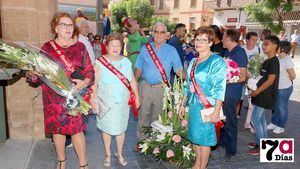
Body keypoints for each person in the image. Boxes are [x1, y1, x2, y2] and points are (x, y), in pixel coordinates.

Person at [26, 12, 94, 169]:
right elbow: (38, 75)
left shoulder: (80, 47)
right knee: (58, 130)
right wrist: (31, 74)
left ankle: (83, 164)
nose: (68, 28)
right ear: (56, 28)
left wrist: (84, 82)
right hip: (53, 98)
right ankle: (61, 161)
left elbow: (90, 71)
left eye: (70, 25)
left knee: (77, 130)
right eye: (64, 25)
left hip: (74, 96)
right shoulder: (47, 48)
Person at [179, 26, 227, 169]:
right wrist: (182, 104)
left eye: (203, 40)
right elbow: (188, 85)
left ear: (210, 42)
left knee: (204, 140)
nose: (199, 43)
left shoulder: (216, 61)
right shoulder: (193, 62)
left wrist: (216, 111)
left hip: (208, 107)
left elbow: (220, 88)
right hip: (194, 105)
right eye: (197, 39)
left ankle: (201, 167)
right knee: (195, 139)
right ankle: (197, 165)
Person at [91, 33, 140, 167]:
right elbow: (94, 85)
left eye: (118, 45)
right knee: (106, 130)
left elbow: (132, 81)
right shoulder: (100, 62)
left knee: (121, 130)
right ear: (106, 46)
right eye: (112, 45)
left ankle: (120, 154)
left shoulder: (126, 61)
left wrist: (137, 96)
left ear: (121, 47)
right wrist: (93, 100)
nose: (115, 48)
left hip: (122, 104)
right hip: (105, 103)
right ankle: (107, 155)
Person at [135, 22, 183, 143]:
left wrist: (192, 78)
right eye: (156, 31)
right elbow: (139, 68)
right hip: (145, 86)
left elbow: (178, 70)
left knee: (158, 116)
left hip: (161, 88)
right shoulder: (145, 48)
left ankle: (154, 143)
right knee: (143, 115)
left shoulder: (171, 50)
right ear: (152, 33)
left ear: (166, 35)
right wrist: (134, 84)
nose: (159, 34)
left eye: (162, 32)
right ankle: (141, 141)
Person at [248, 35, 280, 156]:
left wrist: (257, 91)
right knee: (260, 120)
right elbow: (262, 78)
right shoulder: (267, 60)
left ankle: (263, 146)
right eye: (263, 44)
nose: (264, 46)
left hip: (265, 95)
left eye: (267, 44)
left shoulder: (274, 62)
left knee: (255, 119)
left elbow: (270, 80)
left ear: (275, 46)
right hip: (260, 94)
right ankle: (261, 142)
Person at [220, 29, 248, 161]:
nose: (221, 40)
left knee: (230, 119)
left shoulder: (240, 52)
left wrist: (227, 80)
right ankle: (224, 142)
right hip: (224, 90)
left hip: (232, 92)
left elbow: (242, 77)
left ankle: (231, 150)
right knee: (223, 117)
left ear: (229, 39)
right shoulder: (227, 51)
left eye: (223, 37)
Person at [267, 41, 296, 134]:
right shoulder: (279, 58)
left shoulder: (287, 60)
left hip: (284, 88)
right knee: (275, 106)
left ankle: (281, 126)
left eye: (277, 47)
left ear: (282, 49)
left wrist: (285, 80)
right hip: (277, 87)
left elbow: (293, 76)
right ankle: (274, 123)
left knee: (282, 108)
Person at [241, 32, 261, 129]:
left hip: (252, 79)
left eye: (256, 40)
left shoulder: (259, 50)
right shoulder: (241, 49)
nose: (255, 41)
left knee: (251, 101)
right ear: (247, 40)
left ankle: (249, 122)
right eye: (253, 39)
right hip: (241, 77)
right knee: (239, 98)